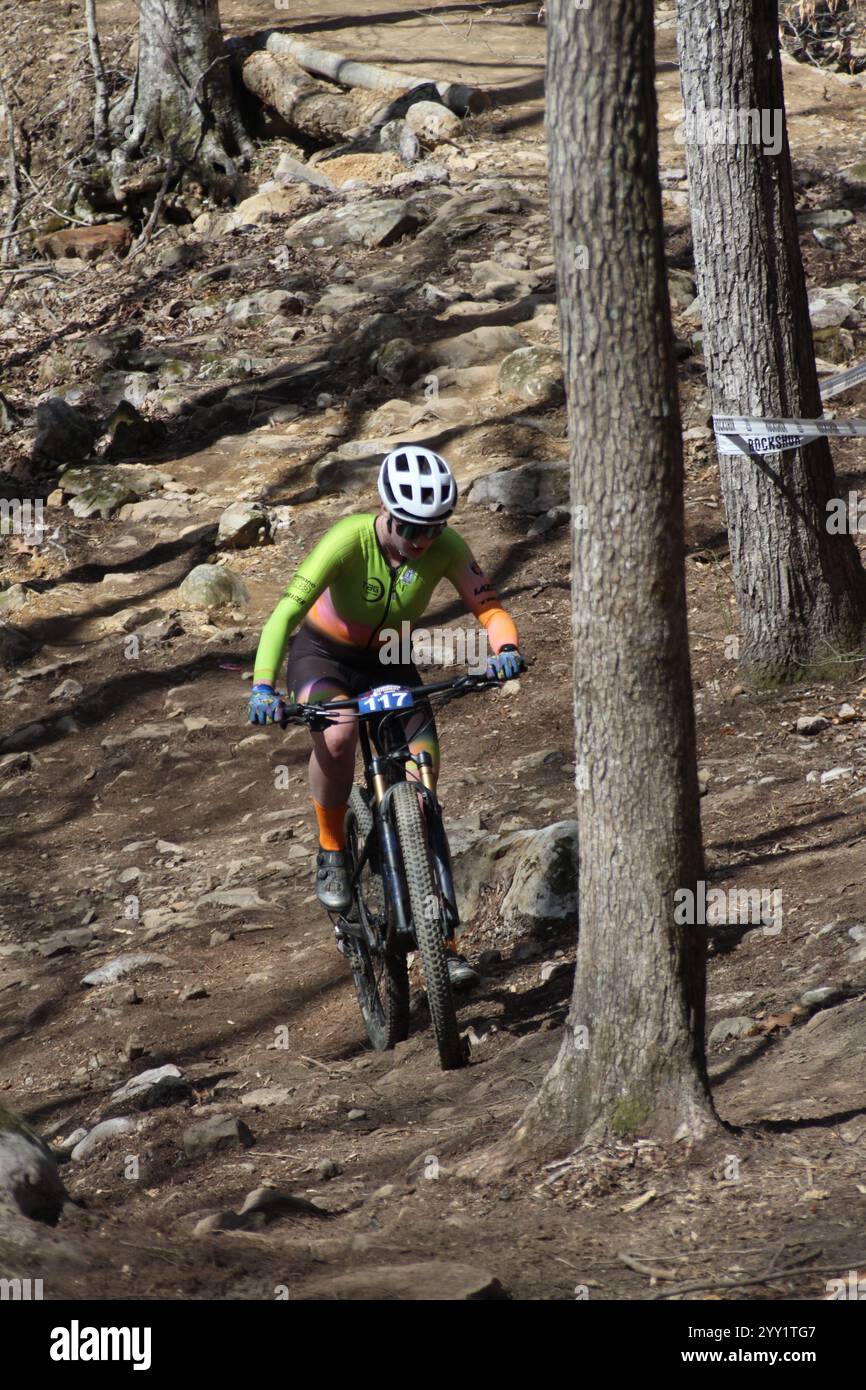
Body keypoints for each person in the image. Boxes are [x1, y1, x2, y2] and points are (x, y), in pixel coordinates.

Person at [247, 445, 525, 989]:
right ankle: (331, 847)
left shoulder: (444, 547)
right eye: (410, 529)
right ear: (386, 511)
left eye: (432, 529)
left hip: (391, 663)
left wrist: (505, 648)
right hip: (324, 656)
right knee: (339, 730)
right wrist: (262, 685)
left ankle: (442, 941)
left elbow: (488, 608)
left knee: (423, 791)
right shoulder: (348, 539)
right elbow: (285, 611)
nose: (420, 542)